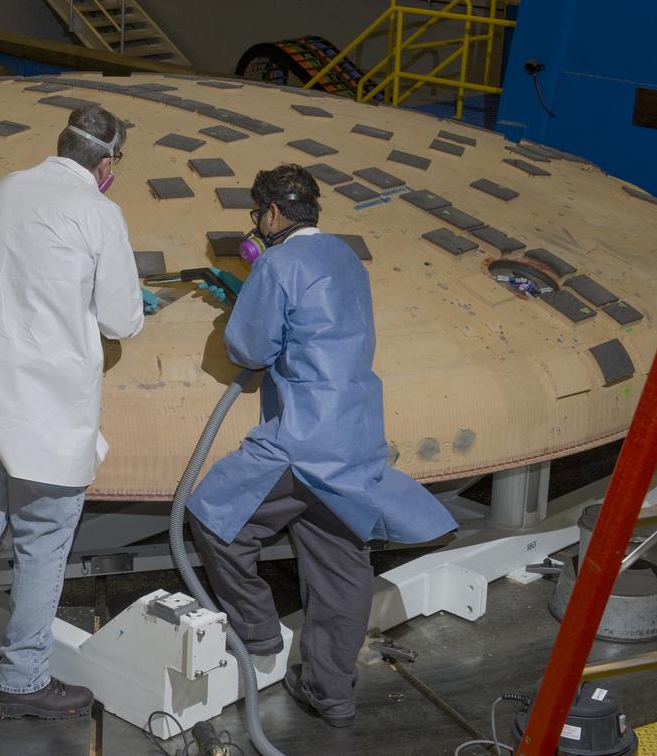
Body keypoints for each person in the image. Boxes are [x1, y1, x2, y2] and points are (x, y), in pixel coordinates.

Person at [186, 164, 456, 728]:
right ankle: (331, 695)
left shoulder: (278, 263)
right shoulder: (345, 257)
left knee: (215, 517)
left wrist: (250, 294)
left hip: (302, 438)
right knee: (338, 562)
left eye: (258, 213)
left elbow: (250, 350)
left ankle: (258, 633)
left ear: (272, 213)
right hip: (354, 434)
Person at [0, 105, 144, 720]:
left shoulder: (7, 187)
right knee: (41, 545)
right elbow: (121, 320)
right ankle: (21, 681)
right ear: (106, 164)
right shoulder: (100, 212)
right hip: (44, 413)